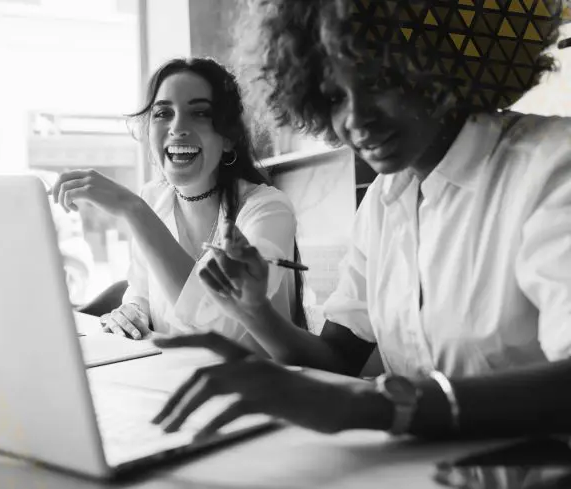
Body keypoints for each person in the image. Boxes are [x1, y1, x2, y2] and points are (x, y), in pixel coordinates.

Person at [150, 0, 571, 440]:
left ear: (443, 65)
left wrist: (372, 406)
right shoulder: (384, 200)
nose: (356, 118)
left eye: (380, 82)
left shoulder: (552, 169)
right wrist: (256, 312)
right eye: (333, 97)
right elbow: (337, 358)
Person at [53, 57, 307, 353]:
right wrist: (132, 312)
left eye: (199, 113)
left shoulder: (268, 209)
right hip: (170, 381)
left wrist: (133, 210)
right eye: (163, 113)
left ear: (228, 138)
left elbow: (216, 324)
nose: (177, 128)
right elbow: (141, 291)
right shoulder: (153, 198)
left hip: (255, 390)